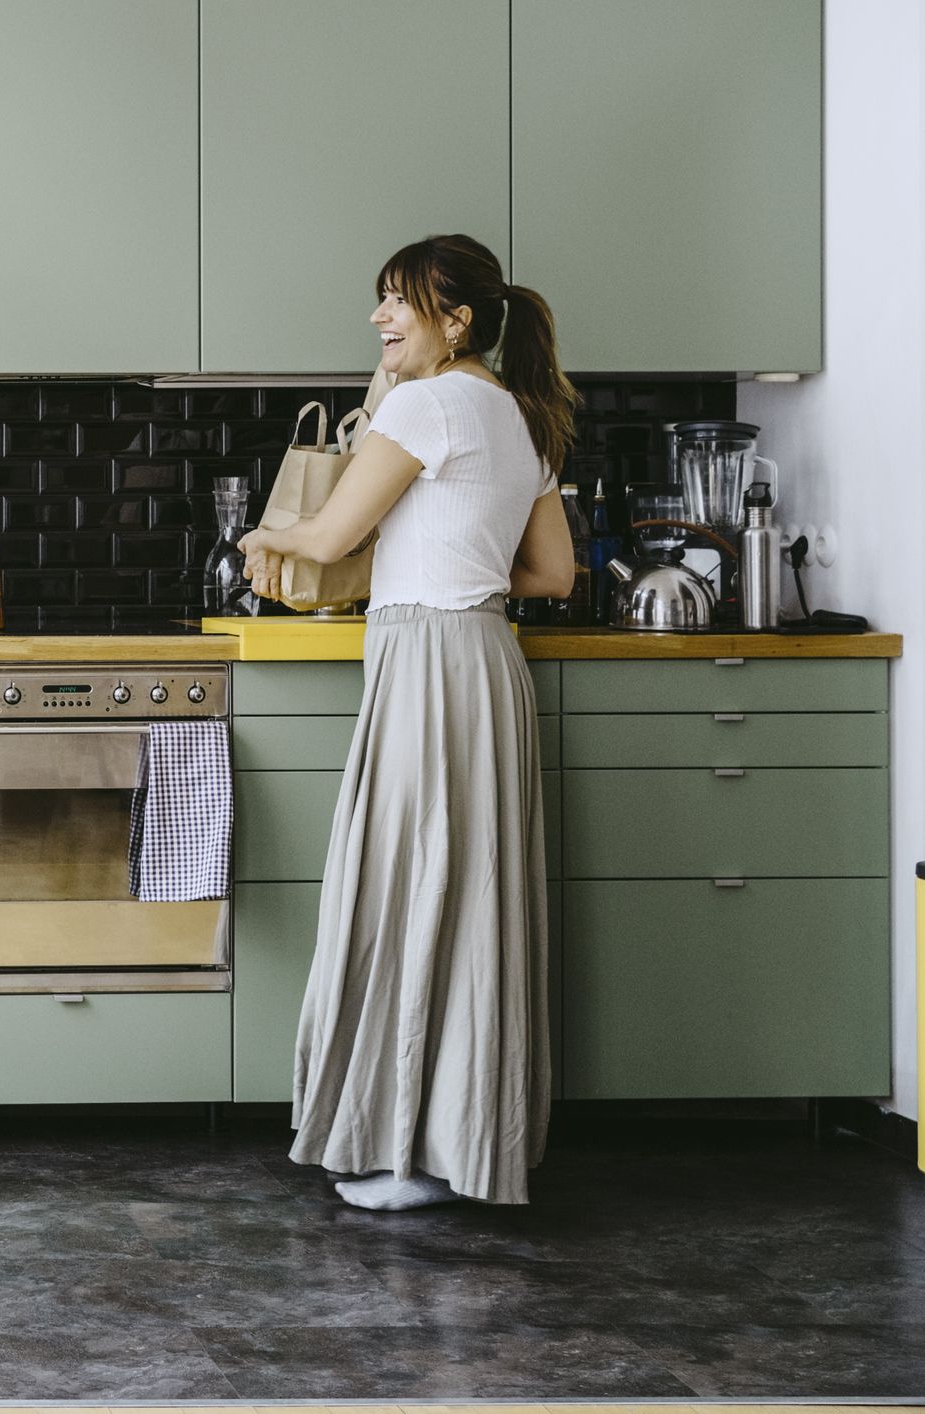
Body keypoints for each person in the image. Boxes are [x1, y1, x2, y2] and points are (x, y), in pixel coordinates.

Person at [237, 234, 577, 1210]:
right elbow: (554, 576)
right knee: (467, 899)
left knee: (408, 890)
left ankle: (400, 1153)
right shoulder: (518, 413)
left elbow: (335, 532)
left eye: (399, 304)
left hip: (425, 659)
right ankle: (458, 1142)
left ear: (456, 319)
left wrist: (268, 533)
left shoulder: (429, 404)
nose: (382, 319)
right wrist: (460, 558)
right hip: (485, 658)